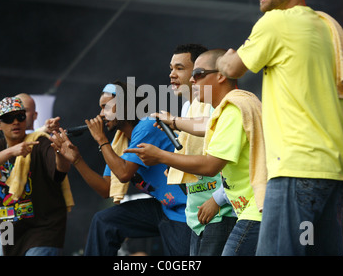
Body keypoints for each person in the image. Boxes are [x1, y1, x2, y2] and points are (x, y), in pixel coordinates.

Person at [216, 0, 343, 255]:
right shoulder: (329, 26)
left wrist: (222, 58)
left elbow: (232, 68)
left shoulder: (276, 21)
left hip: (295, 171)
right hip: (334, 174)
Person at [125, 49, 267, 256]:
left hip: (254, 210)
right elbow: (204, 125)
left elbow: (211, 166)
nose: (192, 80)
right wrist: (173, 122)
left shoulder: (233, 108)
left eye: (198, 74)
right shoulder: (228, 109)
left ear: (220, 75)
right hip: (247, 209)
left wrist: (161, 156)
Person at [50, 81, 191, 256]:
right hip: (165, 207)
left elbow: (124, 174)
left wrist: (101, 139)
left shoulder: (147, 125)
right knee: (104, 221)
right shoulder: (120, 141)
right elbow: (106, 189)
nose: (101, 115)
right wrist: (77, 160)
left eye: (106, 107)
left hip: (184, 209)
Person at [0, 96, 72, 256]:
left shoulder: (40, 142)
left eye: (20, 116)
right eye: (9, 118)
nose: (16, 122)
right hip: (8, 226)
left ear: (27, 119)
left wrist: (61, 151)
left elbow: (60, 171)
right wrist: (11, 151)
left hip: (42, 229)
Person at [163, 44, 237, 256]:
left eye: (180, 68)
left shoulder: (220, 104)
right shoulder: (188, 108)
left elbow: (232, 162)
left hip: (221, 211)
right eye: (171, 68)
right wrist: (176, 166)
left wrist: (218, 199)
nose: (172, 75)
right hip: (198, 212)